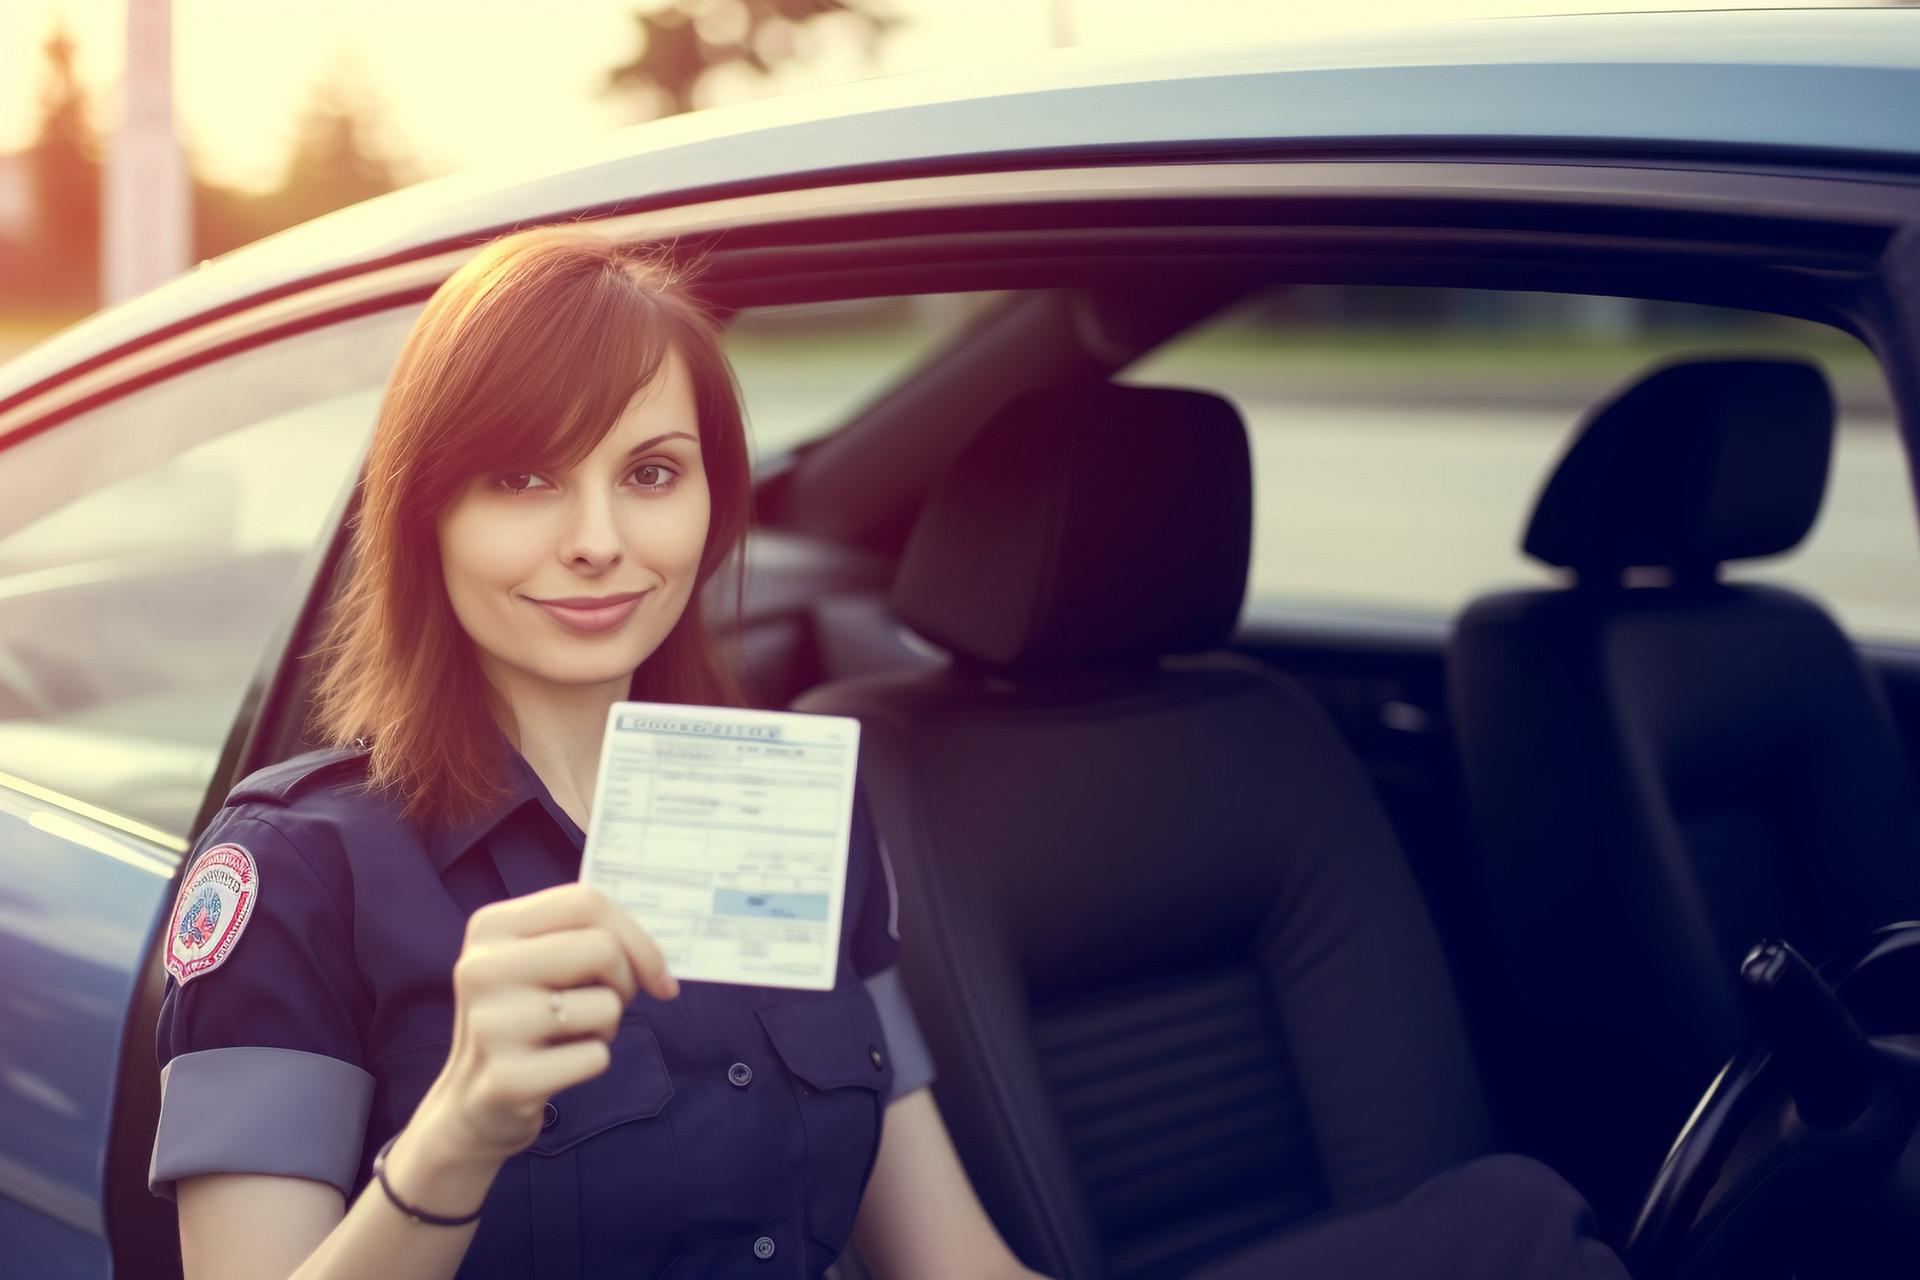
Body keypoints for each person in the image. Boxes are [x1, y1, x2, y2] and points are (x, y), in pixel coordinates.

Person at [149, 227, 1629, 1280]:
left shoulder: (792, 810)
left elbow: (950, 1261)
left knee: (1512, 1224)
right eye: (524, 476)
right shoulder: (296, 872)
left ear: (713, 508)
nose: (599, 538)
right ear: (426, 516)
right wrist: (459, 1133)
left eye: (651, 474)